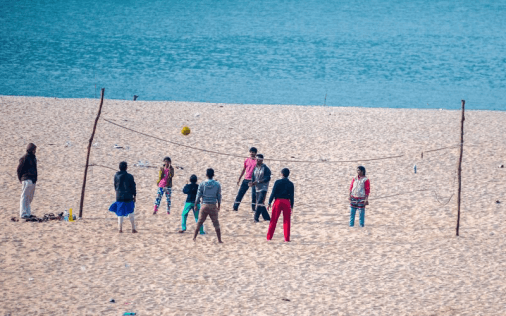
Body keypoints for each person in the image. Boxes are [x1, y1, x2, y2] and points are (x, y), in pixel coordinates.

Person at [194, 168, 223, 243]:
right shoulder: (217, 184)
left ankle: (194, 237)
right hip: (213, 205)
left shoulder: (202, 184)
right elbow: (219, 196)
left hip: (204, 205)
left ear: (206, 175)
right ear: (213, 175)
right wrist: (219, 206)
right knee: (216, 223)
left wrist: (196, 204)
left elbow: (198, 195)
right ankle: (219, 240)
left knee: (200, 222)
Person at [267, 168, 294, 242]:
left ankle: (269, 237)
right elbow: (292, 196)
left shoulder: (277, 182)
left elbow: (273, 193)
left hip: (278, 201)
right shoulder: (291, 184)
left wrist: (269, 202)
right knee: (287, 221)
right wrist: (292, 205)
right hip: (286, 202)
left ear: (281, 174)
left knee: (273, 220)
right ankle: (287, 238)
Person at [109, 161, 137, 233]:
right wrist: (134, 195)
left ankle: (120, 229)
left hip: (119, 196)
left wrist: (117, 192)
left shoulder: (116, 175)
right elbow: (133, 187)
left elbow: (115, 186)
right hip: (128, 196)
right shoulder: (130, 176)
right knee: (131, 212)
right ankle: (133, 228)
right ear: (126, 168)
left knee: (120, 213)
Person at [233, 147, 258, 212]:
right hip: (246, 179)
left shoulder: (257, 161)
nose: (251, 153)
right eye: (251, 152)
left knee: (254, 195)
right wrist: (239, 178)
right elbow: (244, 169)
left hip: (253, 180)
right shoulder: (246, 159)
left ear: (255, 153)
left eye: (253, 152)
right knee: (240, 193)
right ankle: (235, 207)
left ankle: (253, 209)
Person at [17, 143, 38, 219]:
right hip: (26, 179)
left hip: (32, 180)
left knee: (29, 197)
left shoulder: (33, 158)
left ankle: (28, 213)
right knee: (24, 197)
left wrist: (35, 179)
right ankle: (23, 214)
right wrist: (20, 179)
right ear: (30, 150)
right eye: (34, 150)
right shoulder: (24, 158)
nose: (34, 151)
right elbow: (19, 170)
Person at [249, 154, 271, 222]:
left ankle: (256, 218)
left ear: (261, 160)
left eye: (258, 159)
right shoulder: (255, 168)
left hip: (263, 188)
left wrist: (258, 181)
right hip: (257, 188)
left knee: (259, 203)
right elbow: (253, 177)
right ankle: (267, 218)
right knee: (261, 203)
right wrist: (251, 183)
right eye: (256, 159)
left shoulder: (266, 168)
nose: (257, 160)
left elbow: (268, 178)